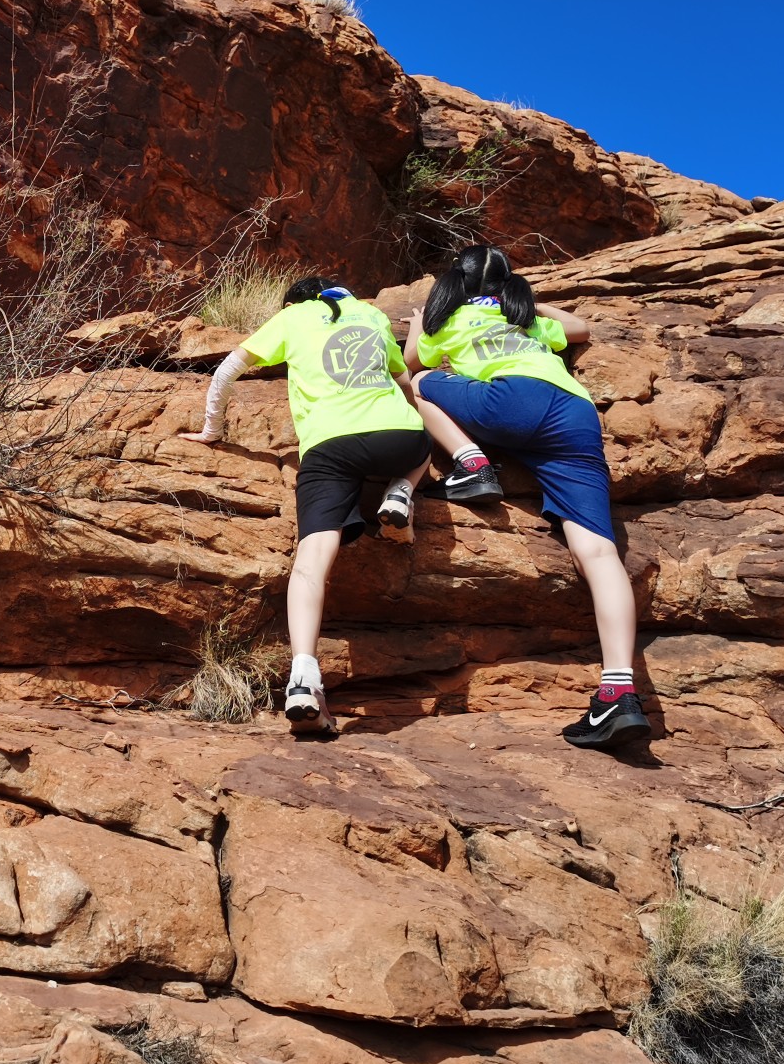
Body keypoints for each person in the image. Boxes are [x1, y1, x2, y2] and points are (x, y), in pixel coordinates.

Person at [404, 244, 647, 750]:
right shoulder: (529, 322)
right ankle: (619, 690)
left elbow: (410, 364)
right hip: (574, 415)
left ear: (456, 285)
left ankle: (470, 461)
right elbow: (581, 328)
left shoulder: (448, 320)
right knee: (599, 553)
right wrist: (527, 304)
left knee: (424, 383)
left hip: (509, 402)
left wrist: (414, 326)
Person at [182, 275, 440, 734]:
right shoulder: (372, 314)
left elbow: (225, 372)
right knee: (420, 448)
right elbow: (403, 382)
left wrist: (212, 431)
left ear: (294, 301)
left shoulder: (291, 317)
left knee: (310, 563)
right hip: (398, 435)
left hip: (330, 448)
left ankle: (303, 677)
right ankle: (401, 490)